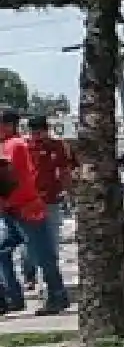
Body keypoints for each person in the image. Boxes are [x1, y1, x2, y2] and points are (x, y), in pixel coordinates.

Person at [0, 109, 70, 315]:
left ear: (8, 125)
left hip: (26, 208)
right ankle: (13, 296)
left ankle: (57, 295)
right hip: (13, 208)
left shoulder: (15, 145)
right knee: (4, 250)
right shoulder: (14, 145)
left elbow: (6, 177)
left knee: (42, 254)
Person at [20, 115, 74, 291]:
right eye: (35, 131)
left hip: (51, 199)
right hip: (29, 201)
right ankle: (29, 274)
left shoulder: (57, 146)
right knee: (29, 242)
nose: (39, 135)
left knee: (52, 240)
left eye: (42, 131)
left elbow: (64, 170)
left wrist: (69, 192)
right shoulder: (24, 146)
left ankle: (50, 279)